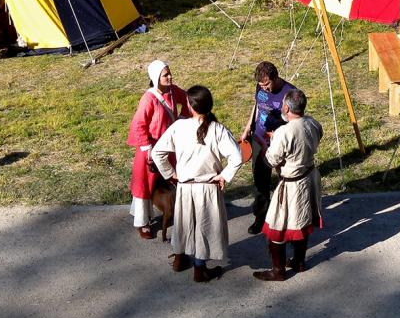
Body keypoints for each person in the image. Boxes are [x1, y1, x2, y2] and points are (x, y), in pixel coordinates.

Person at [151, 85, 243, 283]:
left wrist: (170, 174)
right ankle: (199, 270)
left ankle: (178, 260)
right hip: (207, 189)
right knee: (204, 227)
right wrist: (224, 176)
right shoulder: (218, 130)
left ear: (190, 106)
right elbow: (237, 157)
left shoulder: (179, 127)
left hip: (184, 188)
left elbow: (157, 152)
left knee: (184, 225)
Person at [254, 88, 324, 282]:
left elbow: (271, 159)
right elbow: (319, 135)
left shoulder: (284, 132)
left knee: (278, 226)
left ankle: (278, 270)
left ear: (285, 107)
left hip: (292, 184)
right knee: (303, 220)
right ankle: (299, 262)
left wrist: (272, 140)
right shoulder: (312, 122)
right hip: (309, 177)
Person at [127, 59, 191, 239]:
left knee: (169, 178)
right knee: (145, 185)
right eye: (165, 75)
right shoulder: (148, 98)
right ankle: (142, 221)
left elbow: (187, 99)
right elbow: (139, 124)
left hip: (168, 146)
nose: (170, 77)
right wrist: (147, 148)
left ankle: (171, 209)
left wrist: (184, 118)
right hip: (150, 148)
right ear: (156, 77)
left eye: (170, 73)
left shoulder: (172, 90)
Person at [239, 61, 296, 234]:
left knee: (285, 180)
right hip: (258, 138)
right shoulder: (260, 87)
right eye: (261, 85)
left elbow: (295, 122)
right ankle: (261, 217)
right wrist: (248, 127)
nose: (264, 89)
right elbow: (257, 105)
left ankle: (286, 218)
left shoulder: (290, 93)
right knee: (260, 180)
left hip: (280, 142)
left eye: (267, 85)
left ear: (276, 77)